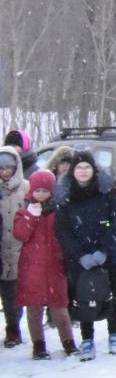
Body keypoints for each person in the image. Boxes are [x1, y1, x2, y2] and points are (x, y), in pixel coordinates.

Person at [56, 156, 116, 359]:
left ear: (94, 170)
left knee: (112, 294)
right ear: (72, 172)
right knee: (83, 297)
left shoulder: (106, 194)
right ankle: (87, 339)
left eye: (87, 167)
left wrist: (104, 250)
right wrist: (80, 254)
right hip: (79, 257)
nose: (83, 171)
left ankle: (114, 333)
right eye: (79, 168)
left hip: (106, 254)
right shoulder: (66, 198)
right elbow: (63, 231)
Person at [13, 169, 78, 359]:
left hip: (55, 267)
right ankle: (38, 345)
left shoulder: (58, 212)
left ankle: (68, 342)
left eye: (45, 190)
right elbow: (20, 235)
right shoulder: (24, 212)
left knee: (60, 308)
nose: (41, 194)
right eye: (37, 190)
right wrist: (31, 217)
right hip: (31, 269)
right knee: (34, 309)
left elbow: (65, 235)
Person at [0, 145, 28, 347]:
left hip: (19, 248)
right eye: (1, 168)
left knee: (13, 294)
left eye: (8, 167)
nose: (4, 171)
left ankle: (13, 329)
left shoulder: (26, 188)